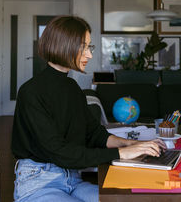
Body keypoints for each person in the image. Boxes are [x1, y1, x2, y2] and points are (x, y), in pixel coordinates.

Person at [11, 16, 165, 202]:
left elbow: (94, 134)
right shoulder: (31, 92)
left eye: (88, 47)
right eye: (83, 47)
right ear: (64, 45)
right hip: (39, 183)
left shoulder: (72, 88)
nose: (89, 55)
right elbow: (59, 152)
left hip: (73, 180)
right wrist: (120, 154)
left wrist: (129, 144)